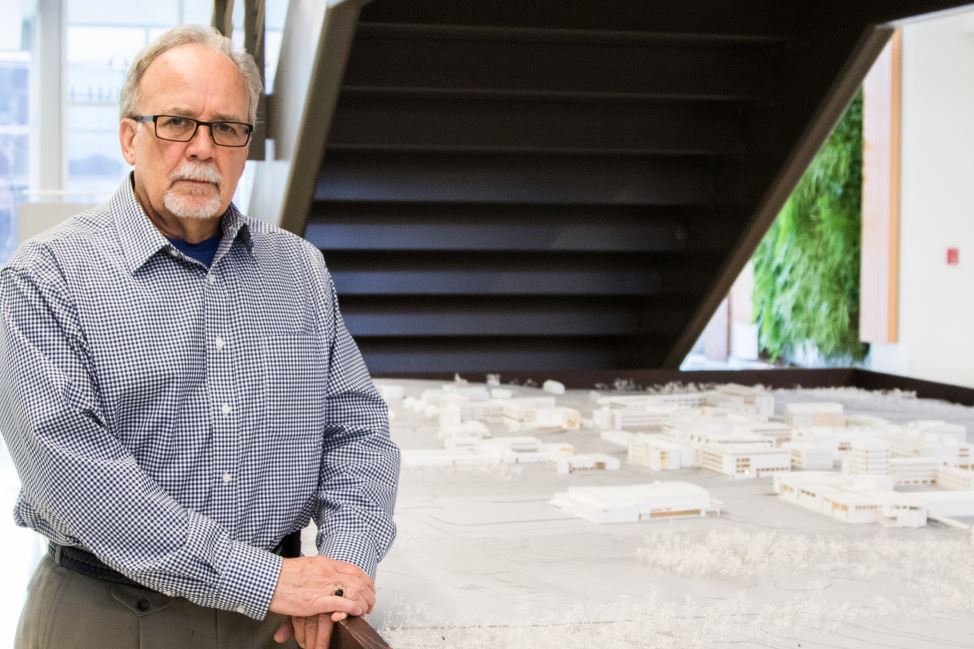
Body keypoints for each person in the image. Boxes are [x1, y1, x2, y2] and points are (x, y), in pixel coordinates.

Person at [0, 25, 400, 649]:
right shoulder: (43, 278)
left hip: (283, 624)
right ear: (130, 137)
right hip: (107, 614)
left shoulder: (299, 270)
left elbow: (358, 435)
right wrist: (264, 580)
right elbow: (74, 476)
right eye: (177, 122)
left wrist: (341, 573)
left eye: (227, 128)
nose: (202, 148)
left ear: (245, 148)